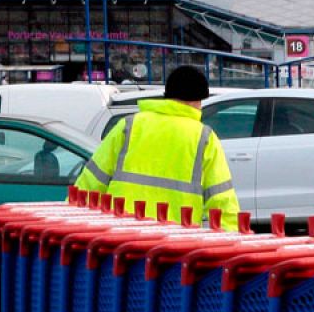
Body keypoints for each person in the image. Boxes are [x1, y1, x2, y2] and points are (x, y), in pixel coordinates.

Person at [75, 66, 240, 222]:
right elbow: (222, 200)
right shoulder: (204, 137)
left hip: (123, 236)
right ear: (196, 101)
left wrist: (71, 225)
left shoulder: (129, 126)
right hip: (175, 239)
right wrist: (231, 240)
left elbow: (89, 182)